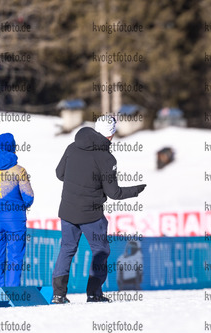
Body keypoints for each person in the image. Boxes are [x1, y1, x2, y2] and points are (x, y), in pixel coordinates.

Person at [51, 116, 146, 303]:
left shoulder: (72, 147)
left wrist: (78, 182)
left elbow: (59, 174)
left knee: (67, 249)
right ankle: (94, 293)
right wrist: (136, 190)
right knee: (100, 250)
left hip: (68, 211)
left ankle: (58, 294)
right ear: (110, 135)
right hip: (91, 214)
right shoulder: (106, 158)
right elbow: (115, 193)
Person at [0, 133, 34, 296]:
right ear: (13, 147)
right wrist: (19, 206)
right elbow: (29, 196)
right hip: (15, 220)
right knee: (15, 256)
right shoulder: (19, 170)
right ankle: (11, 292)